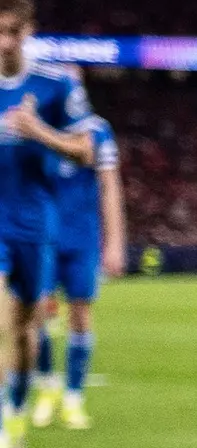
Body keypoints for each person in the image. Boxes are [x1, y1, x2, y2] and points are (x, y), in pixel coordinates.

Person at [0, 0, 95, 448]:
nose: (5, 42)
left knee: (20, 332)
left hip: (33, 222)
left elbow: (86, 151)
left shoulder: (56, 85)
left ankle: (14, 416)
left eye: (13, 32)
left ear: (29, 32)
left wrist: (37, 131)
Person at [31, 105, 124, 430]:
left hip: (83, 239)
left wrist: (114, 241)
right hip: (42, 236)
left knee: (81, 314)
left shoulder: (99, 131)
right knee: (36, 312)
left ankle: (73, 398)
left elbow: (110, 186)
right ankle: (46, 385)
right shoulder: (38, 126)